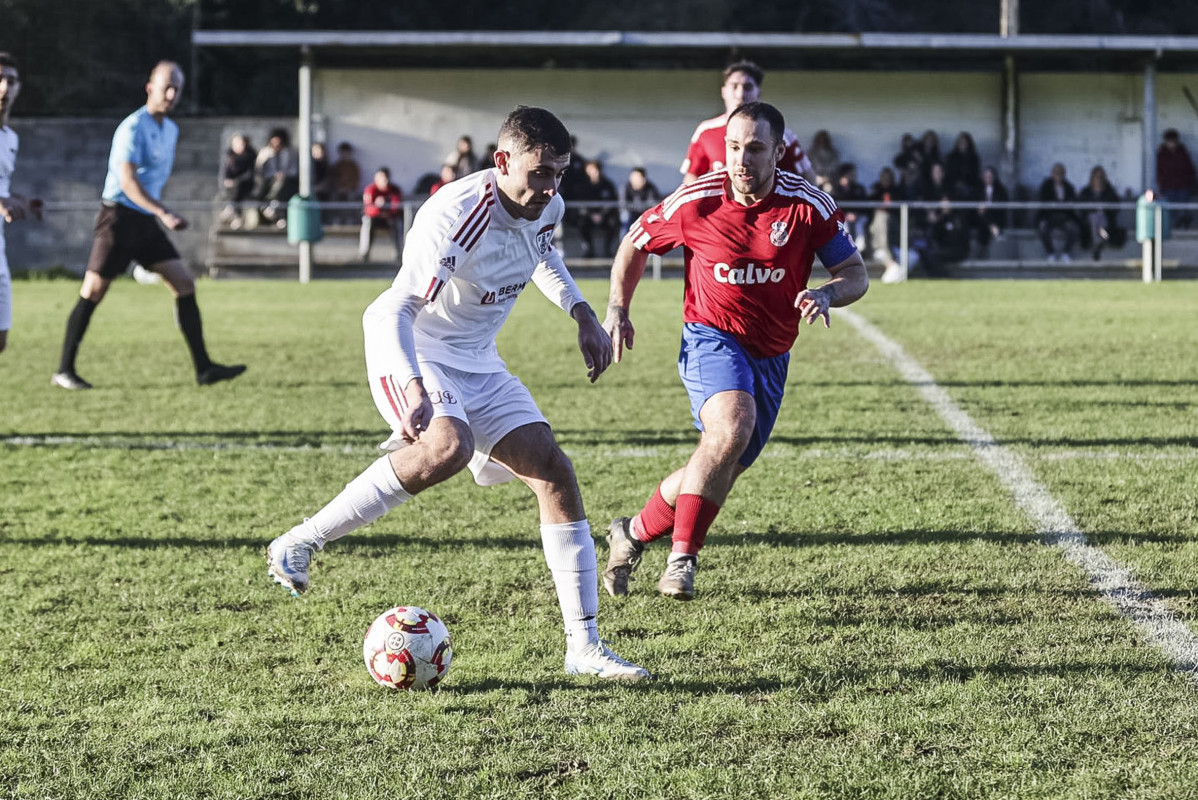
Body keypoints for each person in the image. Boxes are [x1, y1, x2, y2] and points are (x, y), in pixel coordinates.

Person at [265, 105, 649, 681]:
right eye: (539, 172)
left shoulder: (549, 203)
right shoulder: (457, 214)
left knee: (552, 470)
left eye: (559, 173)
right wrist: (413, 384)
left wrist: (582, 313)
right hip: (414, 346)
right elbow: (398, 305)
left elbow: (541, 253)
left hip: (477, 359)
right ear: (502, 162)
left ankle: (584, 647)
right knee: (448, 446)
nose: (550, 187)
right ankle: (299, 542)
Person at [602, 101, 868, 601]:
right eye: (733, 147)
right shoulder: (696, 200)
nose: (741, 159)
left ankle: (632, 533)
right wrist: (618, 307)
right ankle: (682, 560)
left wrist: (827, 293)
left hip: (772, 353)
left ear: (779, 153)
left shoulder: (807, 206)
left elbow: (856, 275)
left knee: (721, 458)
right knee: (731, 427)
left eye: (755, 149)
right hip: (710, 335)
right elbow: (634, 242)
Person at [50, 61, 245, 390]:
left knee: (184, 283)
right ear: (149, 87)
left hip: (145, 221)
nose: (171, 94)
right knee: (93, 291)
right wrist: (163, 212)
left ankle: (204, 368)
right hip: (119, 218)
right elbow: (126, 181)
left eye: (177, 89)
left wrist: (155, 213)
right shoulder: (132, 128)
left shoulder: (170, 129)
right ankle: (64, 370)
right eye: (165, 86)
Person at [680, 60, 816, 186]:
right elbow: (691, 179)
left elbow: (808, 178)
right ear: (723, 91)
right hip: (723, 211)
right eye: (734, 86)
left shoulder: (780, 133)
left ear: (759, 93)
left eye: (748, 87)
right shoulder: (706, 131)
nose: (740, 94)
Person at [0, 52, 43, 355]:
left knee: (1, 338)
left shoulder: (10, 137)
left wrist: (22, 201)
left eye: (10, 81)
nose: (4, 87)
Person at [1078, 164, 1126, 260]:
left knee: (1100, 216)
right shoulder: (1086, 192)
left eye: (1100, 177)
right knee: (1095, 217)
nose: (1098, 179)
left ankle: (1098, 240)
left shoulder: (1110, 191)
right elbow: (1081, 207)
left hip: (1106, 220)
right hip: (1089, 223)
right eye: (1096, 177)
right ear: (1092, 178)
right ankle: (1102, 237)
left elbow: (1115, 207)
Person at [1036, 162, 1080, 262]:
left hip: (1064, 216)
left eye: (1061, 173)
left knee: (1073, 229)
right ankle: (1050, 253)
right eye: (1056, 173)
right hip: (1049, 216)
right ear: (1052, 174)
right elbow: (1043, 201)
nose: (1058, 175)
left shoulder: (1069, 187)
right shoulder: (1046, 186)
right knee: (1043, 228)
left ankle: (1066, 253)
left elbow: (1072, 202)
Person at [254, 127, 298, 227]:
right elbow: (259, 169)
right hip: (267, 181)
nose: (276, 146)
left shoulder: (291, 152)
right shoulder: (266, 152)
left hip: (287, 181)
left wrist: (283, 174)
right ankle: (267, 211)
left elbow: (294, 170)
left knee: (281, 187)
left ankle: (277, 212)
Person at [576, 159, 620, 258]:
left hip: (605, 216)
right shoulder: (584, 186)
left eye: (594, 169)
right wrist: (591, 214)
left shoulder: (608, 185)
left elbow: (611, 202)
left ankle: (608, 249)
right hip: (589, 216)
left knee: (613, 223)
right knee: (582, 223)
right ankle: (589, 249)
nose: (593, 172)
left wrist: (602, 214)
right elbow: (582, 203)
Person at [358, 166, 403, 261]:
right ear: (376, 178)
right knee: (367, 222)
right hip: (375, 218)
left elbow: (396, 208)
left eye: (386, 177)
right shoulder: (370, 189)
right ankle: (364, 253)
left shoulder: (395, 190)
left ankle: (398, 253)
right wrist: (378, 207)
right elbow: (368, 209)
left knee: (398, 223)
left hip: (389, 218)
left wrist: (386, 211)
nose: (384, 180)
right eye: (381, 177)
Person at [1156, 129, 1196, 228]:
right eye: (1169, 142)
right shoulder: (1162, 154)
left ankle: (1184, 223)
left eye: (1172, 141)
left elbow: (1189, 168)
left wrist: (1188, 182)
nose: (1171, 144)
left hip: (1182, 185)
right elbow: (1159, 171)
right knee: (1171, 208)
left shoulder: (1182, 152)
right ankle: (1176, 225)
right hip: (1168, 186)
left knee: (1183, 206)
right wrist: (1162, 185)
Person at [217, 132, 255, 229]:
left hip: (246, 184)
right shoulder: (228, 156)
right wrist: (227, 180)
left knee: (237, 190)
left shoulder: (251, 156)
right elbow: (224, 172)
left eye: (242, 143)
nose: (240, 146)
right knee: (231, 190)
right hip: (230, 186)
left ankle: (235, 213)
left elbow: (250, 173)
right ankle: (232, 211)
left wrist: (236, 181)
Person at [619, 166, 661, 237]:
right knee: (625, 217)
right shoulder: (626, 187)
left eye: (637, 178)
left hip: (644, 215)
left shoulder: (650, 188)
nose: (634, 180)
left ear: (643, 179)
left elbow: (653, 205)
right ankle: (623, 243)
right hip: (631, 214)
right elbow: (623, 205)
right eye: (632, 177)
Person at [330, 141, 362, 224]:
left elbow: (356, 180)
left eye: (346, 153)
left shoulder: (354, 166)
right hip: (338, 189)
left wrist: (347, 188)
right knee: (334, 197)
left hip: (350, 189)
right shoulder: (337, 165)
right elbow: (333, 179)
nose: (344, 155)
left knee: (351, 197)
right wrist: (339, 188)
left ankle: (349, 219)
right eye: (342, 153)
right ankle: (336, 219)